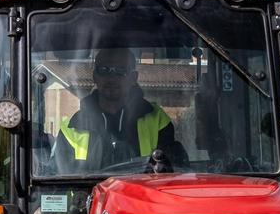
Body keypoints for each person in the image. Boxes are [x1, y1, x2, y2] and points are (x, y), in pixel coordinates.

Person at [54, 47, 185, 173]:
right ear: (95, 77)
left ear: (134, 77)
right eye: (104, 70)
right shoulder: (71, 129)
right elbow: (58, 185)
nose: (111, 77)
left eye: (120, 70)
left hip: (141, 196)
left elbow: (170, 175)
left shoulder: (158, 122)